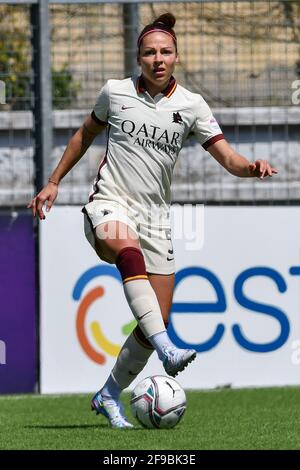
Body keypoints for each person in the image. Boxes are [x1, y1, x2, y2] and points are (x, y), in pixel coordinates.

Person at [28, 13, 278, 428]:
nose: (157, 59)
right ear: (139, 58)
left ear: (176, 57)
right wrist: (53, 181)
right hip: (109, 204)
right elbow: (84, 134)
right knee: (126, 250)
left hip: (156, 219)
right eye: (149, 52)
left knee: (154, 318)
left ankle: (109, 395)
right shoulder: (116, 92)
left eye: (165, 52)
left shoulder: (192, 105)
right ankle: (167, 351)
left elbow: (228, 157)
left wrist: (251, 167)